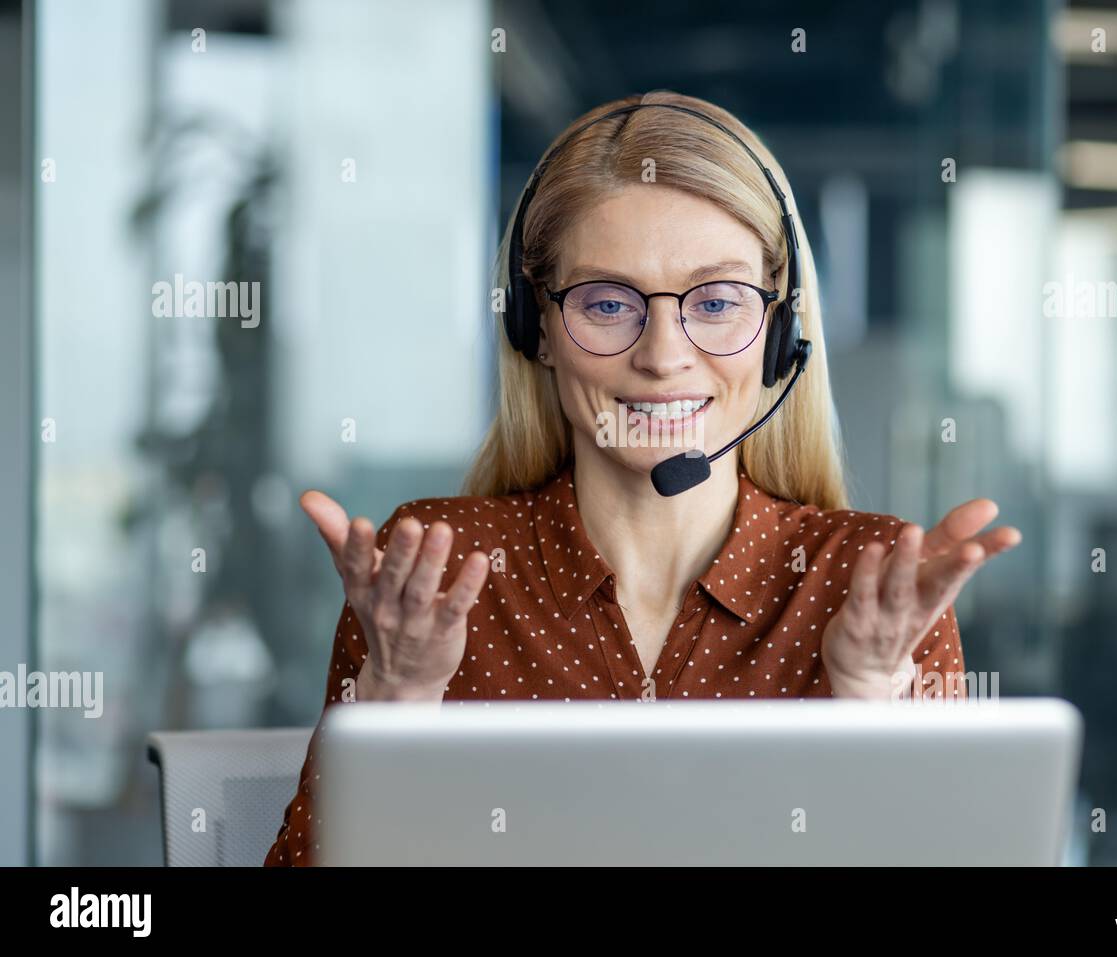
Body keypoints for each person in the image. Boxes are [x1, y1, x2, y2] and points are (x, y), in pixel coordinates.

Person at [265, 90, 1021, 866]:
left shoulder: (873, 583)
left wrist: (866, 704)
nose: (663, 354)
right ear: (538, 329)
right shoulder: (435, 569)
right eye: (606, 302)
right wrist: (396, 699)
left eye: (718, 301)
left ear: (782, 336)